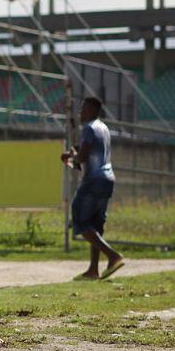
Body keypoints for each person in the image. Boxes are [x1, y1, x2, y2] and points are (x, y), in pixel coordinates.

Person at [62, 96, 125, 280]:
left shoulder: (89, 128)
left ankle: (113, 256)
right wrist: (74, 155)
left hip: (93, 180)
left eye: (83, 109)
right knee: (96, 224)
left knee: (80, 217)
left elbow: (81, 158)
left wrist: (71, 157)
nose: (80, 112)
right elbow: (89, 153)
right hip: (107, 179)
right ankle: (93, 270)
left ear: (90, 110)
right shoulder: (103, 128)